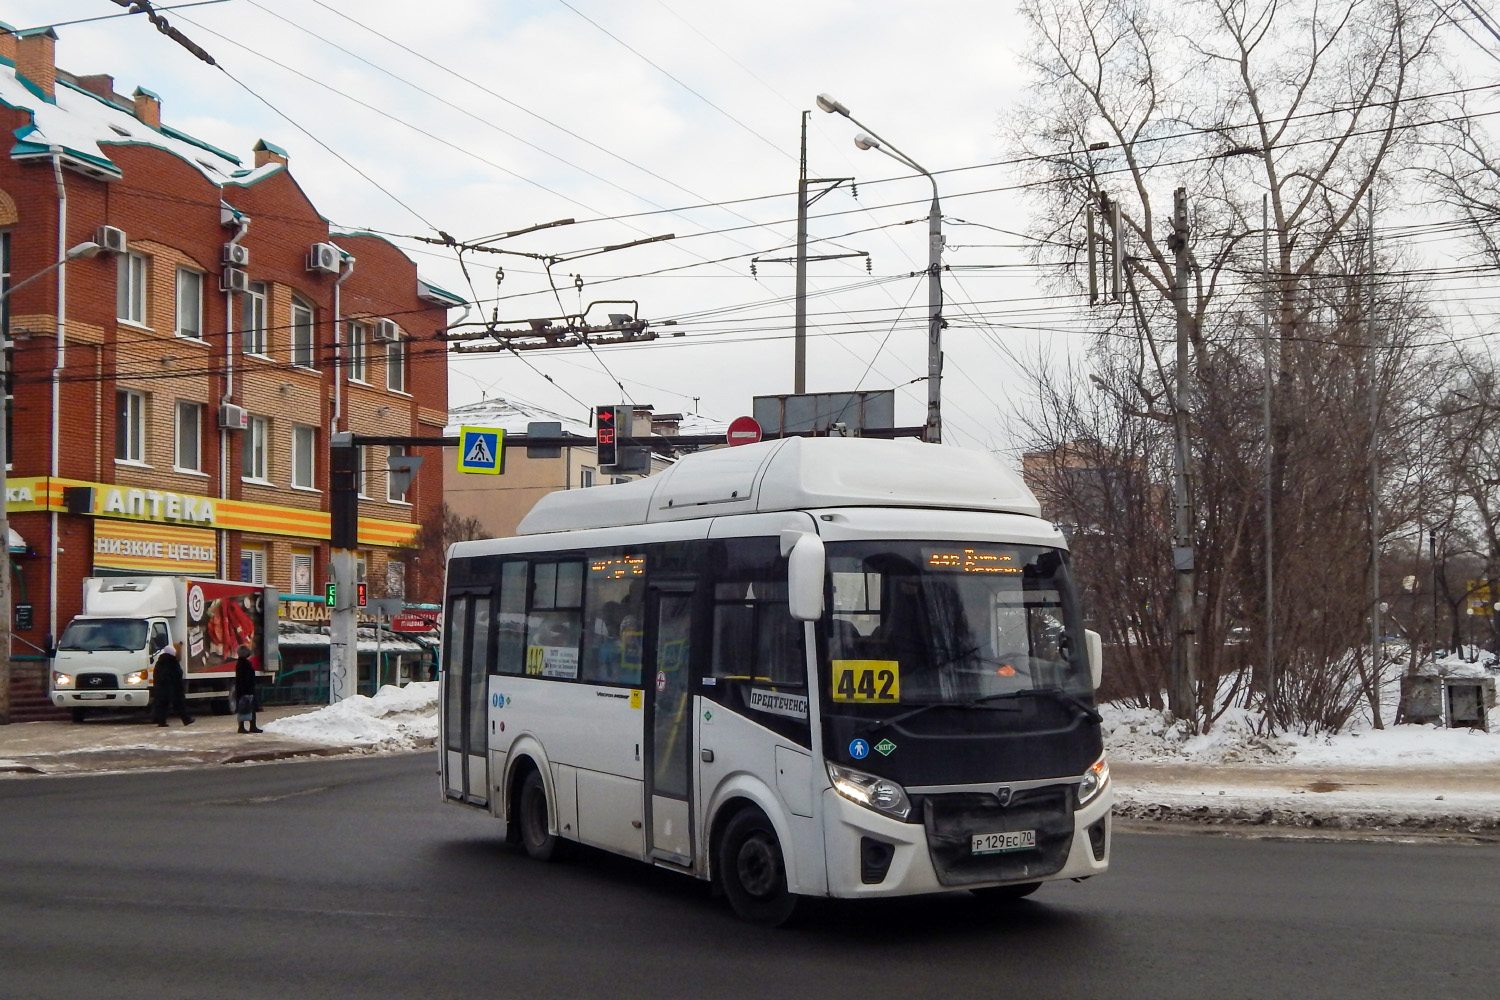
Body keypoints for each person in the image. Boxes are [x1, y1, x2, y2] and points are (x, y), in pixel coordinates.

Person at [151, 641, 194, 727]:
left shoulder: (159, 662)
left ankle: (161, 722)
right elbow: (178, 674)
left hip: (160, 688)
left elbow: (156, 675)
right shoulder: (172, 662)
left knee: (162, 705)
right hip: (174, 688)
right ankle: (186, 720)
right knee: (179, 704)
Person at [234, 645, 262, 734]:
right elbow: (248, 678)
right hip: (247, 689)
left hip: (240, 690)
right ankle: (252, 726)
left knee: (242, 708)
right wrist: (250, 689)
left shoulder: (239, 663)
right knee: (250, 708)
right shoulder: (247, 664)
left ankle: (242, 726)